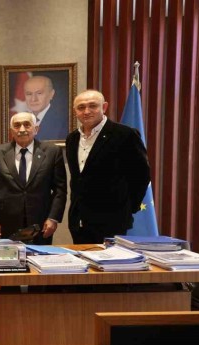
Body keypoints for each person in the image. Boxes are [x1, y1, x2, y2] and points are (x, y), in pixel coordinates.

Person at [65, 89, 151, 244]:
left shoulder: (125, 134)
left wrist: (127, 208)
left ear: (104, 107)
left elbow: (141, 176)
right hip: (79, 221)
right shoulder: (72, 138)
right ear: (75, 111)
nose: (86, 111)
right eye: (81, 107)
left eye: (92, 106)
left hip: (113, 220)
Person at [0, 112, 67, 243]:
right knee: (9, 255)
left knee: (40, 254)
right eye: (17, 126)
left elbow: (60, 190)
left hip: (41, 222)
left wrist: (53, 218)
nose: (22, 129)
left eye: (27, 125)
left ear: (36, 129)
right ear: (11, 131)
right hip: (6, 222)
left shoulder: (52, 152)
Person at [23, 75, 68, 141]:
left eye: (39, 93)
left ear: (51, 94)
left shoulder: (63, 122)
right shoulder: (21, 119)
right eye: (29, 94)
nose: (33, 99)